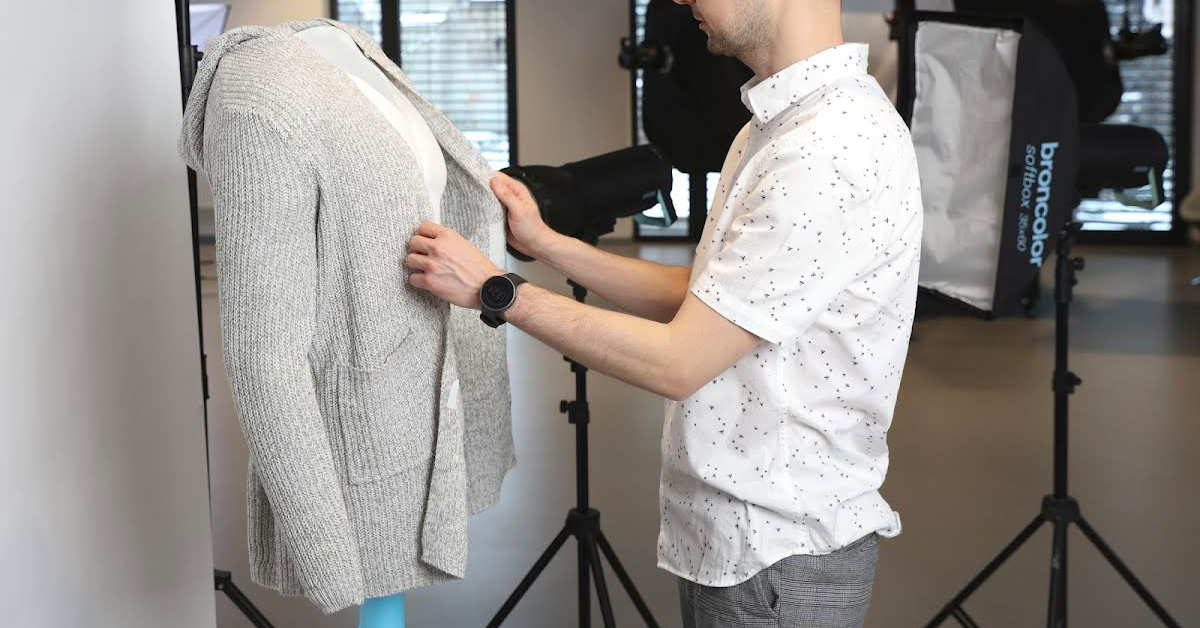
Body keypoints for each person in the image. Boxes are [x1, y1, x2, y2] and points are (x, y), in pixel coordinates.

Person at [405, 0, 923, 625]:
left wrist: (497, 291)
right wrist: (548, 244)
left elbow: (680, 361)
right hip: (743, 545)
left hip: (779, 559)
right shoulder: (778, 125)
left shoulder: (825, 147)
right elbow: (710, 295)